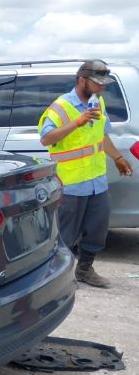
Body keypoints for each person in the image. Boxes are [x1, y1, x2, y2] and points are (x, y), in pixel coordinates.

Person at [38, 59, 133, 288]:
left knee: (98, 229)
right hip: (71, 184)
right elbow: (46, 138)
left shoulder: (96, 102)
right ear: (82, 80)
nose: (102, 87)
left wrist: (117, 158)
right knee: (67, 235)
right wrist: (77, 123)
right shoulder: (60, 107)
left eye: (104, 83)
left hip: (96, 182)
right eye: (98, 83)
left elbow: (101, 136)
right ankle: (60, 276)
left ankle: (85, 270)